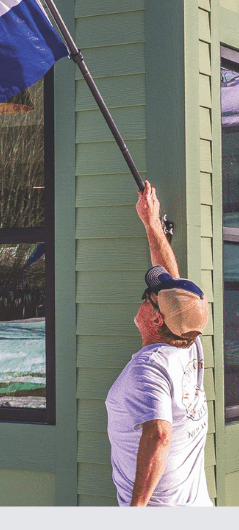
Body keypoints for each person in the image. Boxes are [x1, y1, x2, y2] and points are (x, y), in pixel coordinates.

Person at [104, 181, 212, 506]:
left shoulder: (148, 368)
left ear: (155, 320)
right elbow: (173, 286)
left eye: (148, 297)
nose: (144, 298)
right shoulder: (187, 343)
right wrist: (152, 225)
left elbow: (160, 434)